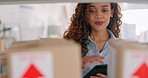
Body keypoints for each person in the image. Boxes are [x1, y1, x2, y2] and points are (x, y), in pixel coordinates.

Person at [63, 2, 122, 78]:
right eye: (92, 11)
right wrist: (77, 64)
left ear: (112, 12)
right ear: (85, 14)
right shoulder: (71, 45)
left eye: (104, 10)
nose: (99, 16)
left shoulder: (121, 48)